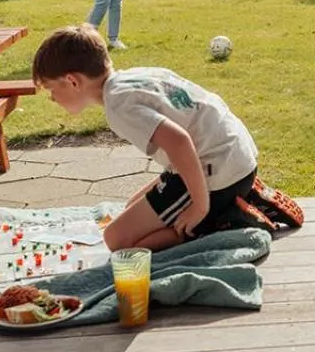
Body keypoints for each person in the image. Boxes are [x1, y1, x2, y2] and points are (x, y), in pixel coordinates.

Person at [31, 24, 259, 252]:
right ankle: (219, 208)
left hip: (221, 175)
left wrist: (199, 206)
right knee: (130, 208)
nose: (52, 98)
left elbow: (179, 141)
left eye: (51, 89)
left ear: (73, 81)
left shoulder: (119, 106)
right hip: (237, 157)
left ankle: (216, 223)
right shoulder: (135, 77)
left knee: (117, 240)